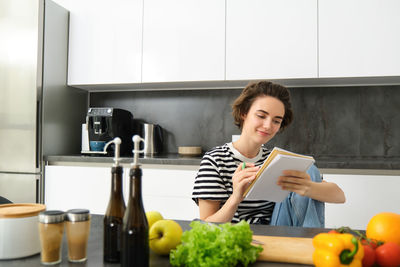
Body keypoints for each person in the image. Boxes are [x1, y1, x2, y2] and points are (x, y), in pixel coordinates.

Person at [192, 81, 345, 225]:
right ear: (244, 113)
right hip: (239, 237)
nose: (268, 125)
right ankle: (308, 247)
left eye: (276, 121)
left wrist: (306, 187)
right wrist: (236, 197)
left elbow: (339, 196)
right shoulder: (215, 160)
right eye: (261, 116)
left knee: (310, 171)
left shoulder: (276, 160)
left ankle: (305, 245)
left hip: (277, 233)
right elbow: (206, 225)